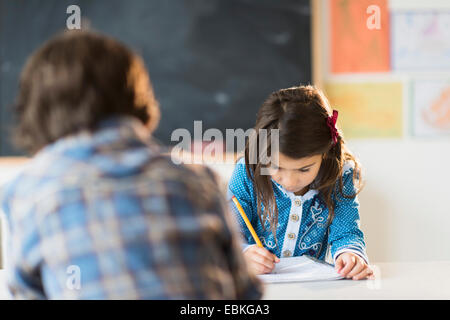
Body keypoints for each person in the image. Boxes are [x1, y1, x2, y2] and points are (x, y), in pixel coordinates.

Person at [0, 30, 262, 299]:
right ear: (139, 99)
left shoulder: (27, 193)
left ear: (36, 112)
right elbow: (245, 295)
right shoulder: (198, 181)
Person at [227, 85, 373, 280]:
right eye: (276, 167)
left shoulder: (339, 175)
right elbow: (228, 232)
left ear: (326, 153)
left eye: (304, 169)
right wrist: (242, 254)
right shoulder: (248, 171)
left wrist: (350, 255)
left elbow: (346, 232)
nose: (290, 181)